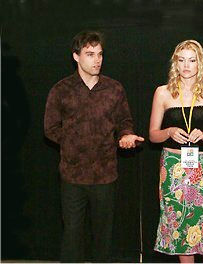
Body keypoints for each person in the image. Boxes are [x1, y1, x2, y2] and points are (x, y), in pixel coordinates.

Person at [44, 30, 144, 262]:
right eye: (90, 54)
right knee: (72, 236)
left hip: (105, 175)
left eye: (100, 54)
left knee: (103, 237)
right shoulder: (61, 90)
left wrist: (126, 136)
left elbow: (125, 122)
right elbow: (50, 129)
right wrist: (76, 144)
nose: (97, 59)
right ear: (76, 56)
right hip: (72, 176)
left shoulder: (114, 89)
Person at [149, 40, 203, 263]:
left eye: (192, 60)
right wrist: (168, 131)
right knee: (181, 229)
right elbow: (152, 135)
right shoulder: (162, 93)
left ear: (200, 63)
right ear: (175, 63)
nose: (186, 65)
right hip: (172, 167)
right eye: (181, 60)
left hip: (201, 168)